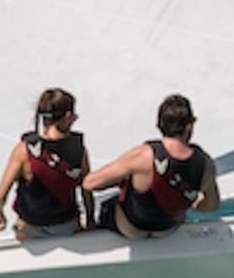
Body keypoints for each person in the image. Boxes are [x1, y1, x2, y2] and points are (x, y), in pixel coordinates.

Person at [84, 94, 220, 239]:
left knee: (110, 204)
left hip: (131, 229)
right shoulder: (206, 164)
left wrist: (121, 180)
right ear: (190, 125)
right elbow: (210, 205)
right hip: (167, 230)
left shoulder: (142, 155)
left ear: (160, 124)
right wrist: (187, 201)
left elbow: (89, 183)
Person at [0, 88, 93, 238]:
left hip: (29, 228)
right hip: (65, 227)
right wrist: (90, 220)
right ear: (67, 116)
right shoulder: (78, 149)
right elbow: (87, 189)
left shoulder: (23, 150)